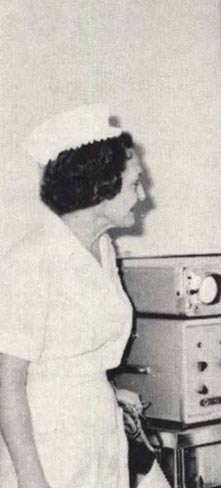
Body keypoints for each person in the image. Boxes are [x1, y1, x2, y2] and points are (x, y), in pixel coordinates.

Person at [0, 105, 151, 488]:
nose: (143, 195)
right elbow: (8, 380)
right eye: (134, 183)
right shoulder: (31, 260)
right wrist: (30, 477)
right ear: (101, 189)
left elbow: (75, 349)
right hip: (47, 447)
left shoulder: (104, 250)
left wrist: (106, 390)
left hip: (98, 429)